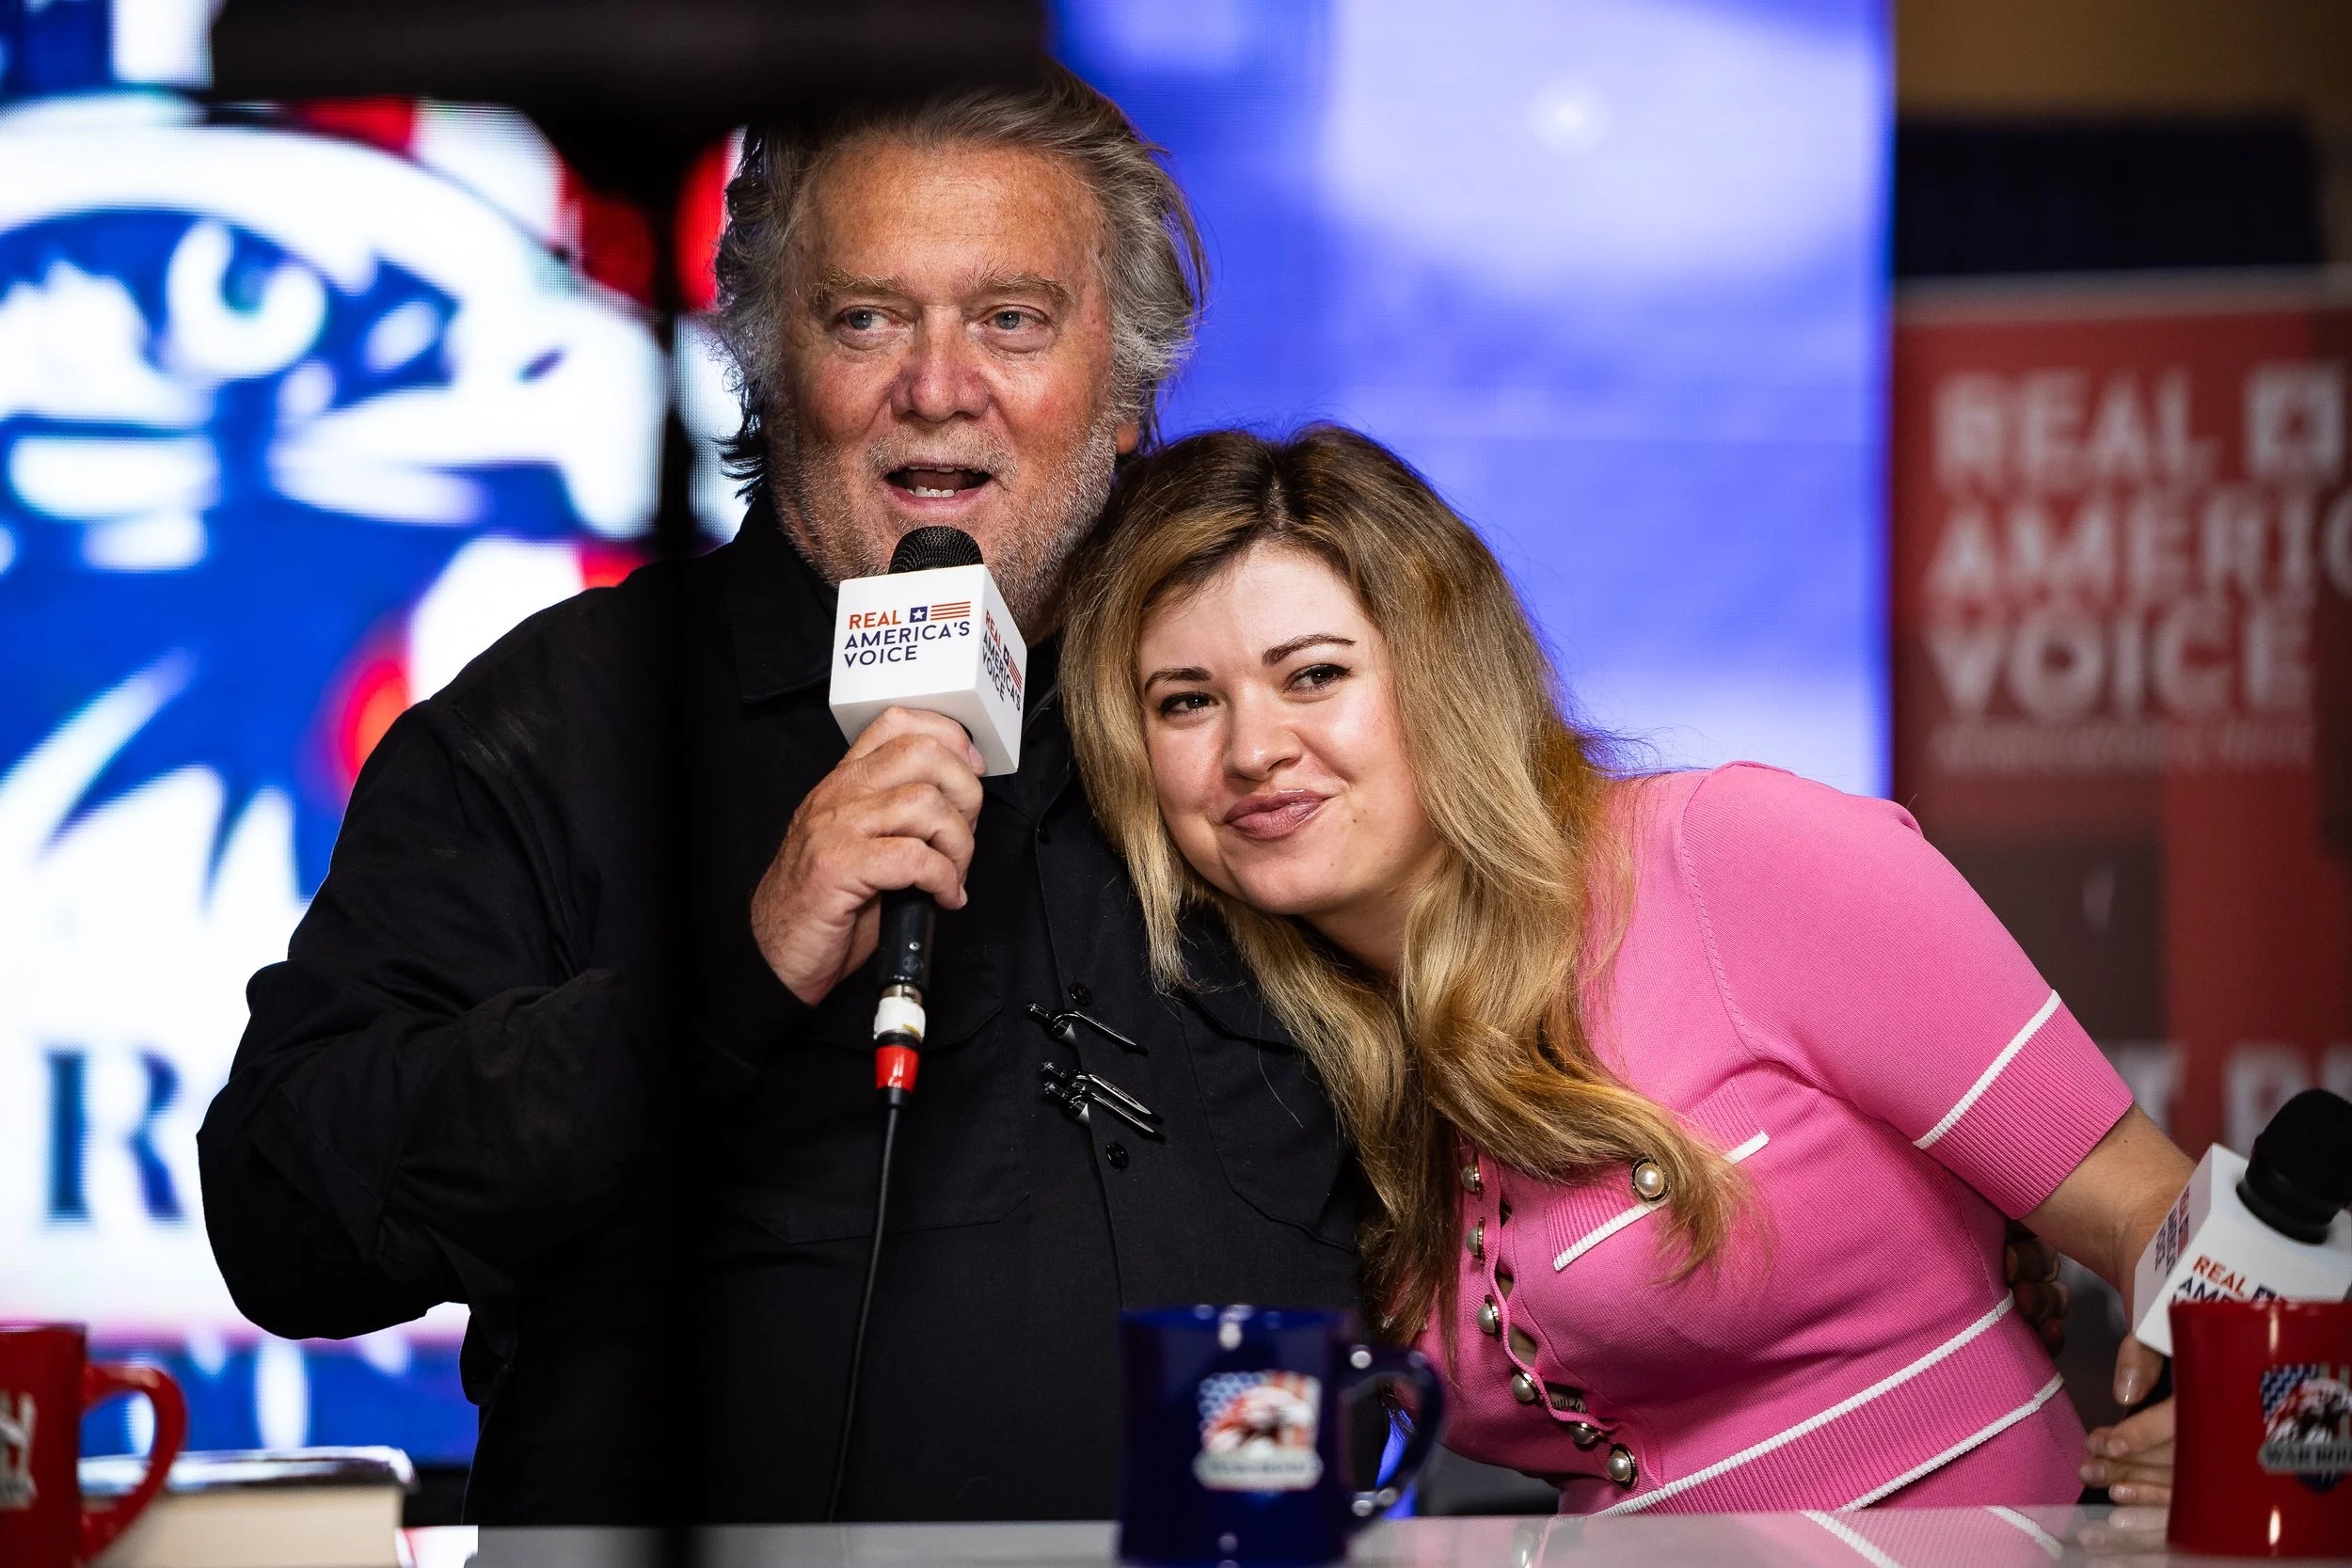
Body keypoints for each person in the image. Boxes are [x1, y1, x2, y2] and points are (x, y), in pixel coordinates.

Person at [196, 69, 1368, 1525]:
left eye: (1012, 318)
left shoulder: (1274, 717)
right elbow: (283, 1219)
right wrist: (724, 981)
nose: (938, 384)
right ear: (761, 356)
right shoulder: (557, 725)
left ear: (1126, 389)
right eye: (866, 317)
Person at [1062, 425, 2184, 1513]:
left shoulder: (1733, 855)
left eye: (1311, 675)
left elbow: (2156, 1210)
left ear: (1444, 672)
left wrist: (2227, 1393)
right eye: (1186, 702)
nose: (1251, 749)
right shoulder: (1284, 1052)